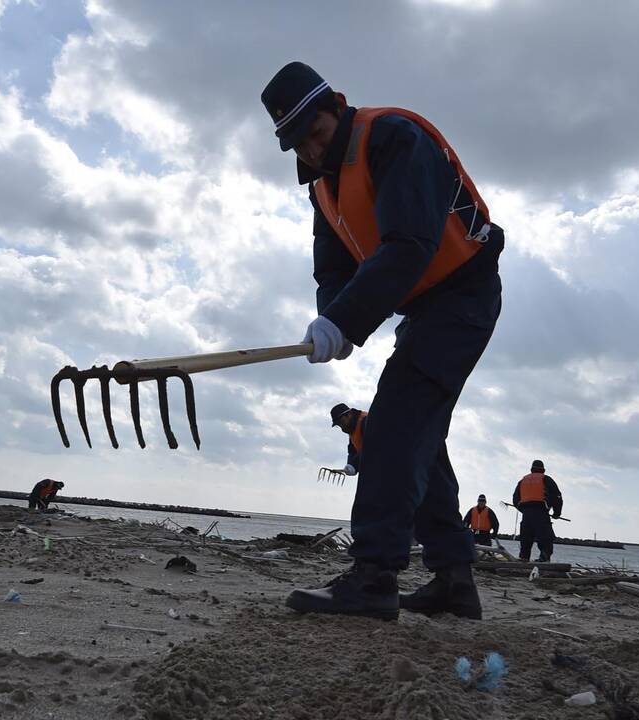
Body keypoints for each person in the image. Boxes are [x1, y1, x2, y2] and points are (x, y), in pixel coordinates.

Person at [262, 62, 504, 620]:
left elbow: (409, 244)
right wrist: (333, 323)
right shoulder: (321, 185)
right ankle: (453, 579)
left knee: (393, 425)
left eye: (317, 134)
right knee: (418, 433)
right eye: (299, 145)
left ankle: (374, 578)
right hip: (424, 310)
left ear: (336, 107)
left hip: (463, 296)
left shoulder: (394, 136)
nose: (313, 151)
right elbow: (333, 271)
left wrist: (347, 322)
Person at [512, 459, 563, 562]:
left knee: (525, 540)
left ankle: (523, 559)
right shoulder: (546, 479)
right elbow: (557, 497)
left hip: (526, 515)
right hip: (541, 513)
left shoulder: (522, 481)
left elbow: (515, 499)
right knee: (545, 539)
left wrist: (523, 510)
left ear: (531, 469)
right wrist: (556, 513)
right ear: (543, 470)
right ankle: (544, 560)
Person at [329, 402, 366, 476]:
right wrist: (349, 464)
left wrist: (354, 464)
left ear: (349, 415)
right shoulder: (351, 428)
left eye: (341, 422)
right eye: (338, 425)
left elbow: (371, 447)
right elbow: (352, 450)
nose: (341, 427)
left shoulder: (366, 422)